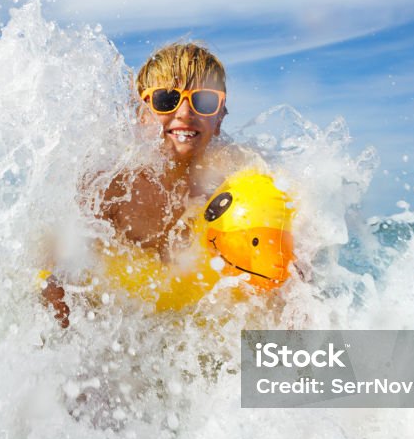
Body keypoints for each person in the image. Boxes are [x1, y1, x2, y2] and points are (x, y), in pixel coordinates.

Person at [41, 42, 256, 327]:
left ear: (219, 117)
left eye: (204, 101)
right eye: (166, 99)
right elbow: (53, 269)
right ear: (141, 114)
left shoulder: (238, 185)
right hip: (114, 323)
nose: (184, 112)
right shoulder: (112, 187)